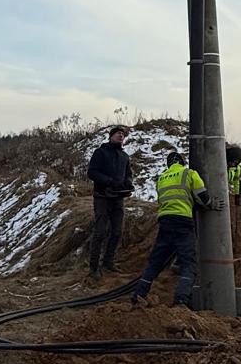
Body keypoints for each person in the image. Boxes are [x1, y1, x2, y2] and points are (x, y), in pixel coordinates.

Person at [131, 151, 210, 308]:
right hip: (183, 221)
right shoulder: (189, 173)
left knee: (155, 262)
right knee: (189, 264)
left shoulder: (161, 178)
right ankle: (181, 300)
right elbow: (203, 198)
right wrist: (210, 204)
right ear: (181, 162)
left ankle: (138, 295)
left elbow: (162, 200)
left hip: (165, 221)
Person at [87, 125, 133, 278]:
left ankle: (108, 262)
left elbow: (128, 174)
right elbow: (92, 172)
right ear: (111, 136)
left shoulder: (124, 156)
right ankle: (94, 267)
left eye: (123, 134)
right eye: (118, 133)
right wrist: (109, 181)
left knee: (117, 232)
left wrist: (128, 183)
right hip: (102, 197)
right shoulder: (100, 153)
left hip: (118, 198)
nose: (121, 136)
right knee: (100, 232)